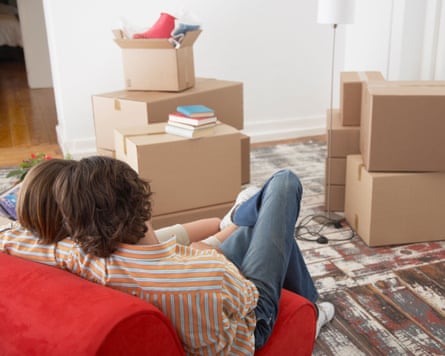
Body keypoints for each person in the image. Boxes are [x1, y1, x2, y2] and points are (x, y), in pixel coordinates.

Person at [1, 156, 334, 354]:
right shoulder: (209, 271)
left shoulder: (78, 256)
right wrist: (204, 252)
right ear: (144, 203)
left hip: (189, 279)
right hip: (249, 329)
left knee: (259, 226)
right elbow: (251, 298)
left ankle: (245, 215)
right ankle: (309, 311)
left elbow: (12, 237)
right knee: (284, 185)